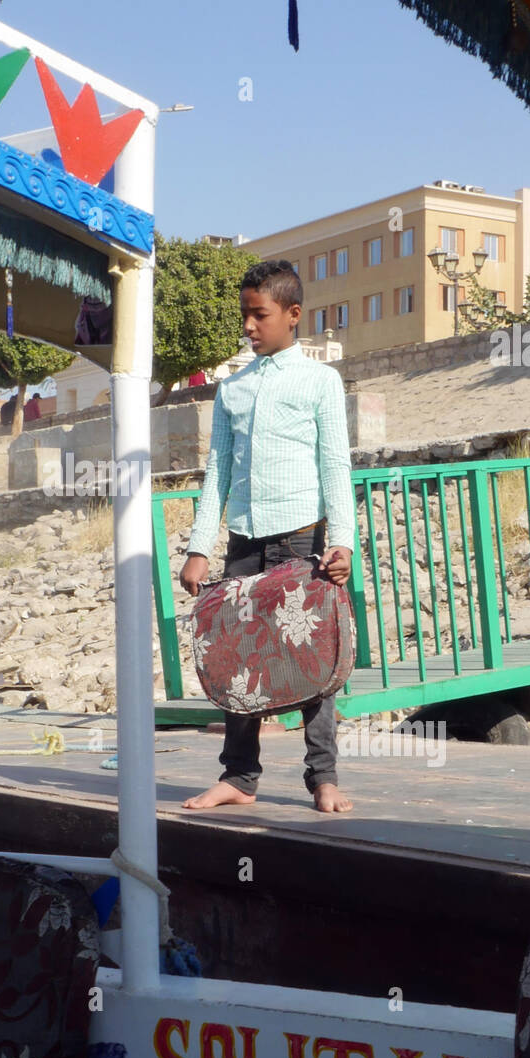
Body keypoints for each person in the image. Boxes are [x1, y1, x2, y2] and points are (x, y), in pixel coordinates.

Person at [179, 259, 356, 815]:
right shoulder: (231, 390)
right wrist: (199, 547)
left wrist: (343, 541)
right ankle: (239, 776)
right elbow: (218, 475)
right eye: (246, 316)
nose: (250, 326)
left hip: (304, 543)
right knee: (238, 657)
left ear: (293, 315)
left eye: (260, 315)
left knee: (311, 661)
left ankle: (323, 777)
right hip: (245, 544)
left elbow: (335, 467)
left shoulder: (320, 381)